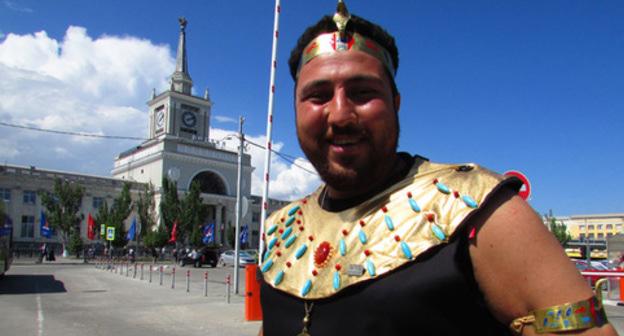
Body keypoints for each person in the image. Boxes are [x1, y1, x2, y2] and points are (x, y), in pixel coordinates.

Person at [258, 1, 616, 335]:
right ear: (295, 108)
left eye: (363, 92)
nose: (339, 114)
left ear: (396, 103)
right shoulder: (279, 232)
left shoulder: (482, 212)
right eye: (318, 96)